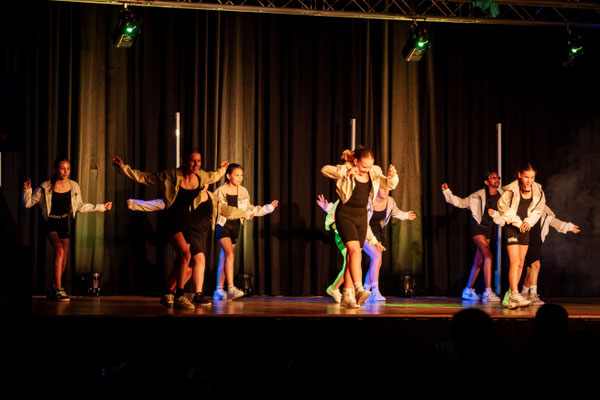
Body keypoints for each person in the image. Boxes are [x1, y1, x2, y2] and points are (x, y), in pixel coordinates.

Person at [112, 149, 228, 309]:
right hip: (171, 219)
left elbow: (214, 176)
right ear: (184, 161)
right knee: (186, 254)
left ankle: (168, 293)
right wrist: (123, 167)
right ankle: (179, 295)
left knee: (183, 260)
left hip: (186, 221)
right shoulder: (170, 176)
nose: (196, 164)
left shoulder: (201, 176)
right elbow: (144, 177)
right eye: (193, 160)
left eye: (199, 161)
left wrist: (223, 169)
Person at [127, 185, 251, 307]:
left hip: (200, 235)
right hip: (188, 232)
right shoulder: (188, 195)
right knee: (200, 259)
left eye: (206, 181)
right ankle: (198, 295)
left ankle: (168, 292)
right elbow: (162, 203)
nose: (204, 183)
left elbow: (228, 210)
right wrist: (135, 204)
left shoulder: (212, 197)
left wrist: (245, 214)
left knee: (190, 269)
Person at [23, 157, 112, 301]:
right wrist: (27, 190)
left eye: (68, 169)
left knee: (63, 261)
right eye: (62, 168)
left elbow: (80, 206)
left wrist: (101, 207)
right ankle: (59, 289)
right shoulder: (46, 186)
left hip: (64, 222)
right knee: (59, 250)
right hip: (50, 222)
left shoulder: (74, 186)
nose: (65, 171)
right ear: (55, 169)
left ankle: (53, 288)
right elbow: (27, 204)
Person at [321, 146, 398, 308]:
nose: (366, 170)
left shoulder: (374, 172)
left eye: (369, 166)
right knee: (354, 251)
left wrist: (392, 176)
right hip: (345, 215)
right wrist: (346, 172)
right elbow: (325, 170)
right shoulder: (346, 169)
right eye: (364, 166)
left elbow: (389, 185)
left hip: (362, 217)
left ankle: (347, 295)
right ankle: (358, 289)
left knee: (353, 256)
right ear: (355, 161)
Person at [317, 187, 416, 303]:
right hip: (351, 231)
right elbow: (340, 210)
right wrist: (327, 209)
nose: (386, 190)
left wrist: (374, 240)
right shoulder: (357, 197)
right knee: (356, 260)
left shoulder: (383, 201)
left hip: (370, 231)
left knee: (375, 260)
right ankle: (363, 291)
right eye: (383, 188)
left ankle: (362, 290)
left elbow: (391, 214)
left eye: (388, 188)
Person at [213, 163, 278, 300]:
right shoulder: (220, 190)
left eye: (241, 175)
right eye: (236, 175)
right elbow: (217, 209)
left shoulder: (243, 191)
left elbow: (249, 208)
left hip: (236, 226)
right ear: (228, 176)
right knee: (229, 254)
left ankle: (219, 290)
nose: (240, 178)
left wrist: (267, 208)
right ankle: (231, 287)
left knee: (225, 257)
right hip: (223, 225)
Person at [442, 171, 504, 302]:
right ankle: (487, 291)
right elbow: (461, 203)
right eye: (493, 177)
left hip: (488, 229)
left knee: (479, 259)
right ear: (486, 182)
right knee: (488, 256)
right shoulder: (478, 195)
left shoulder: (502, 195)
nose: (496, 179)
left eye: (497, 177)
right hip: (477, 228)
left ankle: (468, 290)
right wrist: (447, 192)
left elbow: (506, 212)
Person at [497, 162, 546, 309]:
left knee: (521, 262)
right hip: (512, 227)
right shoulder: (511, 189)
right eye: (526, 177)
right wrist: (518, 222)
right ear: (520, 175)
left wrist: (529, 222)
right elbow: (502, 207)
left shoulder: (538, 190)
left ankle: (513, 296)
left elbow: (539, 209)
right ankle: (514, 294)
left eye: (532, 177)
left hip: (525, 228)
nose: (529, 180)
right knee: (514, 261)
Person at [520, 205, 580, 305]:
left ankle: (524, 292)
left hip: (537, 238)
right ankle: (532, 294)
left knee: (531, 268)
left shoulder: (541, 204)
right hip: (525, 236)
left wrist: (569, 227)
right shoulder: (525, 202)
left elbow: (551, 219)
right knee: (535, 265)